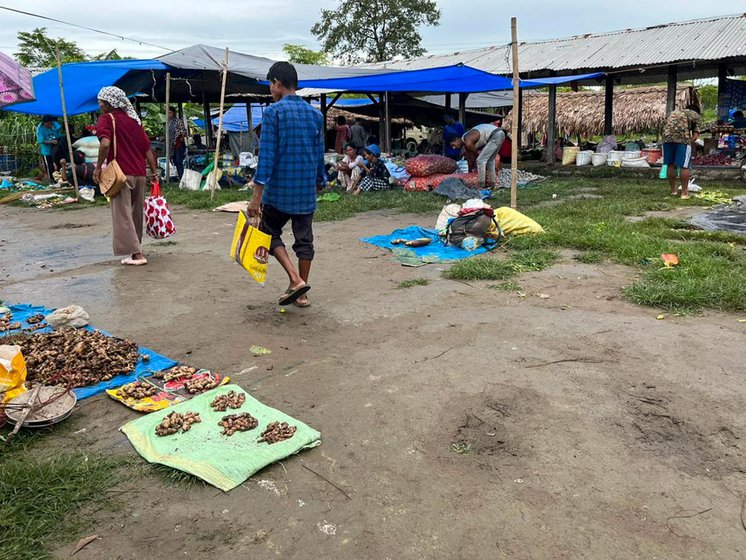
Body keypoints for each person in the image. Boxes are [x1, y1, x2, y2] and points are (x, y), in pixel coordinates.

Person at [248, 62, 325, 308]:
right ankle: (301, 295)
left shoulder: (273, 113)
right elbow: (319, 154)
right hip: (305, 192)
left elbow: (267, 157)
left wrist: (256, 198)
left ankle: (295, 280)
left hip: (279, 192)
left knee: (267, 232)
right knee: (305, 241)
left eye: (271, 84)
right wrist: (320, 181)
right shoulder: (315, 115)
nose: (271, 89)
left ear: (277, 83)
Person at [94, 86, 158, 266]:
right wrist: (154, 173)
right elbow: (148, 151)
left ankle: (137, 254)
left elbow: (105, 144)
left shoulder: (107, 119)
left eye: (101, 103)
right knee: (136, 213)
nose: (99, 106)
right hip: (139, 174)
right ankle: (135, 251)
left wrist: (98, 168)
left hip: (121, 175)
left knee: (122, 214)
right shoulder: (134, 122)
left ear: (108, 104)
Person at [662, 104, 702, 199]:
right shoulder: (696, 116)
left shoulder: (674, 113)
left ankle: (674, 191)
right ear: (697, 111)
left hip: (667, 138)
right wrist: (689, 143)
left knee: (670, 164)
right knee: (684, 165)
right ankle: (684, 193)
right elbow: (695, 136)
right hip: (682, 139)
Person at [449, 123, 506, 189]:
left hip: (495, 135)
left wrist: (476, 156)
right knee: (490, 160)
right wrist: (469, 172)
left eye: (453, 145)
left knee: (480, 160)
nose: (454, 148)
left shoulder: (466, 139)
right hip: (499, 133)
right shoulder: (467, 140)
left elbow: (474, 153)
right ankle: (493, 184)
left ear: (457, 140)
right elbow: (470, 158)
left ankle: (481, 186)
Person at [36, 115, 62, 180]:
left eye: (51, 123)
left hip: (56, 150)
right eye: (48, 124)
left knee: (59, 165)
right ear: (44, 123)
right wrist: (51, 142)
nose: (50, 125)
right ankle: (51, 180)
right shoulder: (41, 129)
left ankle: (59, 179)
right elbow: (41, 141)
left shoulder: (55, 126)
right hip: (46, 151)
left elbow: (60, 136)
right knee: (49, 167)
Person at [167, 106, 187, 179]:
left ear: (174, 113)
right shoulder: (168, 123)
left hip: (179, 144)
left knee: (179, 161)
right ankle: (180, 176)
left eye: (170, 113)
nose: (169, 114)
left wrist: (180, 139)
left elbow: (184, 131)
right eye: (168, 113)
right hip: (172, 145)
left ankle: (182, 177)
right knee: (175, 161)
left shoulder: (178, 121)